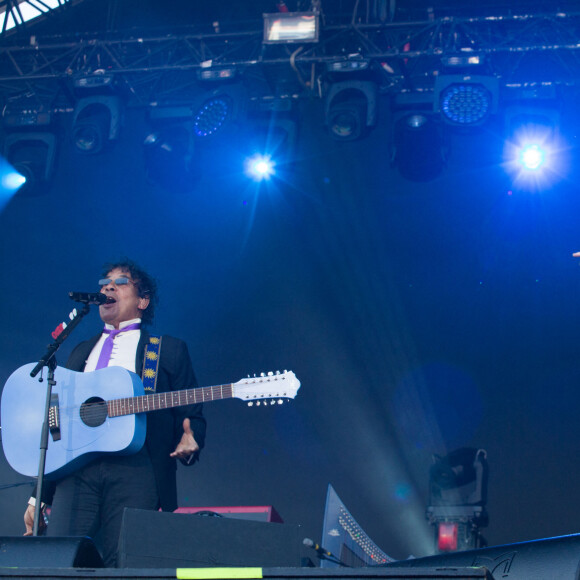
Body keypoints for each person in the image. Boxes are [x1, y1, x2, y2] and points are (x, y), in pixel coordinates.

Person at [23, 259, 206, 567]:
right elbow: (59, 422)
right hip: (77, 472)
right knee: (59, 562)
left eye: (121, 282)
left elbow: (192, 414)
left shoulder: (167, 350)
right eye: (105, 283)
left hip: (138, 470)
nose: (107, 287)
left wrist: (191, 440)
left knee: (125, 565)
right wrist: (39, 494)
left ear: (143, 300)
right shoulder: (80, 351)